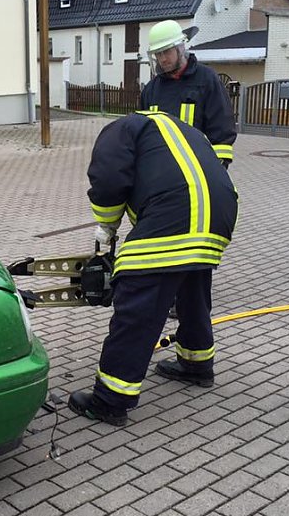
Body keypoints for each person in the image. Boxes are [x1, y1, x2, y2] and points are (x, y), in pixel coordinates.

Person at [68, 110, 238, 426]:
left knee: (138, 305)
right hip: (220, 214)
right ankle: (196, 363)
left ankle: (110, 400)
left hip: (176, 214)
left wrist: (107, 225)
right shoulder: (180, 130)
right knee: (192, 291)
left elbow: (108, 180)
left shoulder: (118, 132)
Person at [139, 19, 237, 168]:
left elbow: (222, 133)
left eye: (167, 51)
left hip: (197, 168)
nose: (163, 59)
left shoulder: (207, 80)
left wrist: (215, 170)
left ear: (181, 47)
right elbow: (143, 135)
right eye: (158, 54)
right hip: (163, 171)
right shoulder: (151, 90)